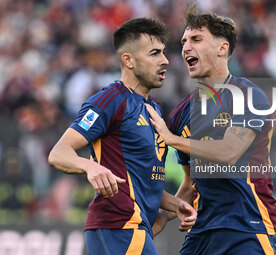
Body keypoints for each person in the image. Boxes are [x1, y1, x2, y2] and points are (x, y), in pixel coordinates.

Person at [48, 18, 196, 255]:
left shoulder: (154, 109)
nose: (165, 60)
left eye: (164, 53)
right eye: (154, 53)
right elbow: (59, 153)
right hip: (118, 225)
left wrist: (176, 205)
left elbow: (142, 182)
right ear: (128, 60)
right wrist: (89, 167)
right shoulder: (111, 100)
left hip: (132, 227)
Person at [147, 6, 276, 255]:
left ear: (223, 48)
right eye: (184, 40)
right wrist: (165, 215)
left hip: (247, 228)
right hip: (202, 231)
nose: (186, 47)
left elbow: (229, 152)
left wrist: (171, 139)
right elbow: (189, 183)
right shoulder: (180, 115)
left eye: (196, 39)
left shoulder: (248, 96)